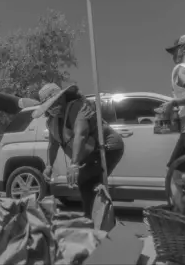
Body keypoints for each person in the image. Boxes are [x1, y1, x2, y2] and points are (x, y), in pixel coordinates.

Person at [32, 83, 124, 218]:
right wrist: (49, 165)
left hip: (108, 148)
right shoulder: (52, 122)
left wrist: (74, 164)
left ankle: (93, 219)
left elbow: (81, 134)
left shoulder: (77, 107)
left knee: (86, 178)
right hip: (89, 153)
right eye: (50, 105)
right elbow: (53, 145)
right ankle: (93, 217)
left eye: (56, 101)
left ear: (63, 98)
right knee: (86, 182)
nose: (53, 107)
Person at [160, 34, 185, 168]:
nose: (173, 56)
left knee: (177, 171)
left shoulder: (183, 69)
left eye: (175, 51)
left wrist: (173, 103)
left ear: (184, 48)